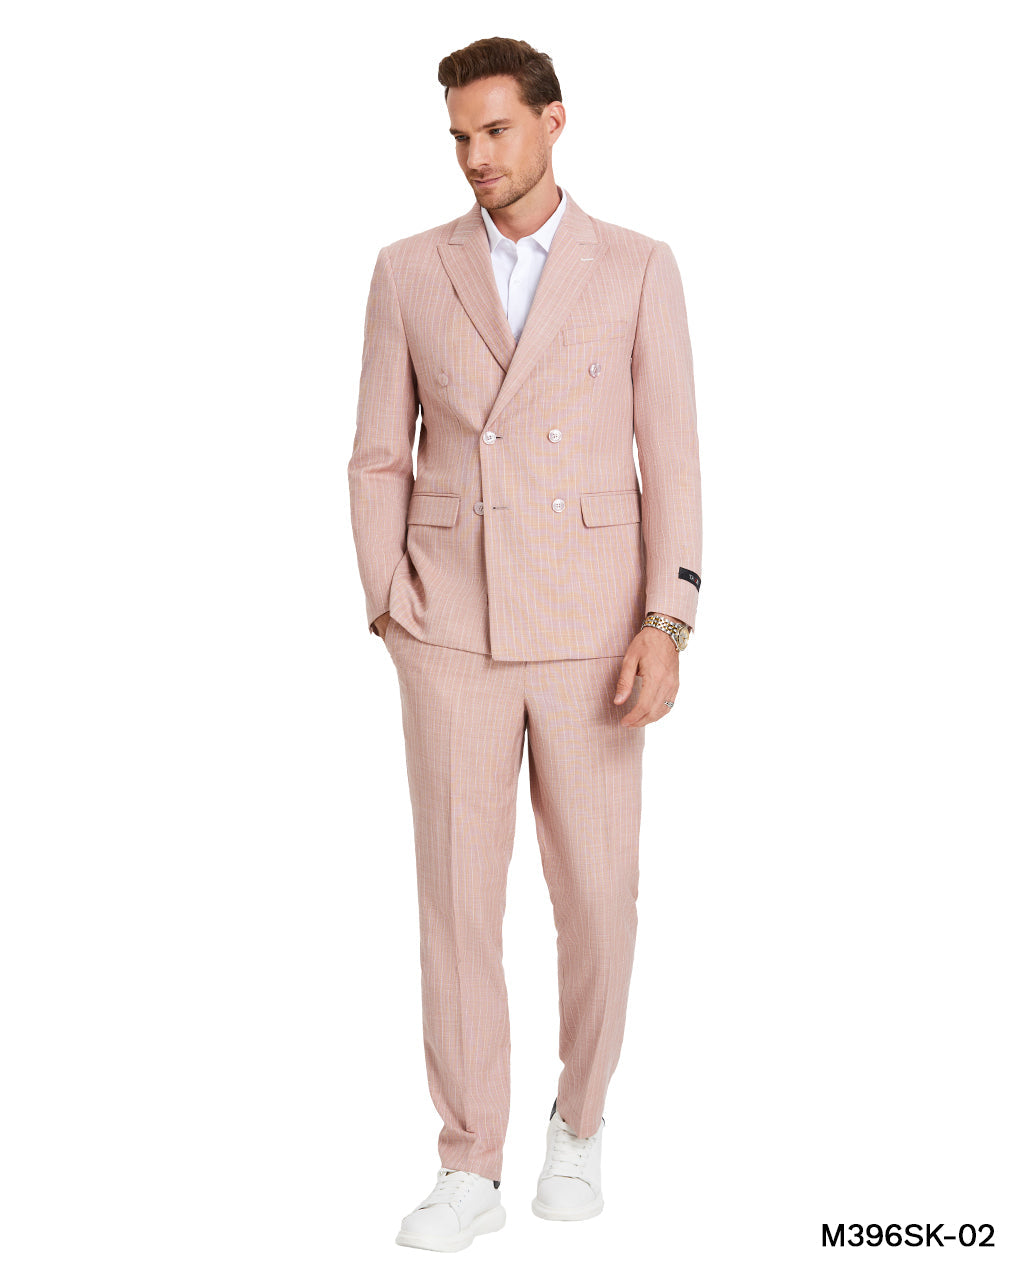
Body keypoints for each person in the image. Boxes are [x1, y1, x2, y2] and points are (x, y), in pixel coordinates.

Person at [347, 35, 703, 1252]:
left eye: (495, 130)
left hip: (595, 628)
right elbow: (377, 453)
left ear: (554, 121)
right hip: (448, 625)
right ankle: (468, 1162)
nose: (474, 156)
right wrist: (388, 602)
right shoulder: (408, 268)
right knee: (455, 904)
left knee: (599, 897)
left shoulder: (638, 266)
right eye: (459, 135)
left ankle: (580, 1119)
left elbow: (673, 455)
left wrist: (667, 618)